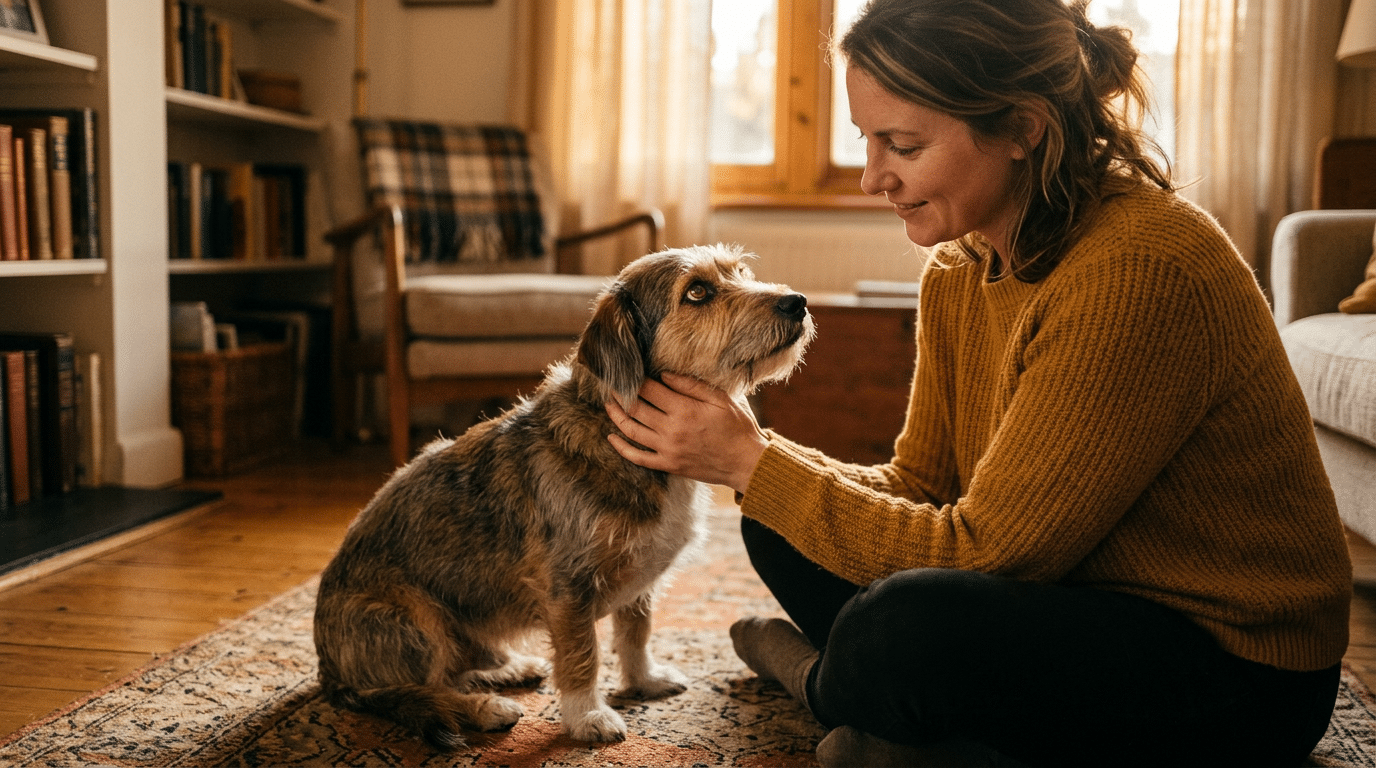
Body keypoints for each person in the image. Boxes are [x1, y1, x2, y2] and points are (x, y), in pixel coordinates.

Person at [604, 0, 1353, 765]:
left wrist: (748, 462)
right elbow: (923, 483)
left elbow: (992, 554)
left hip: (1235, 668)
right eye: (866, 142)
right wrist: (760, 466)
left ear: (1023, 127)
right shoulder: (960, 271)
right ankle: (921, 722)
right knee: (775, 512)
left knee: (902, 622)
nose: (871, 178)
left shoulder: (1140, 269)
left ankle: (819, 681)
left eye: (903, 144)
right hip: (1076, 602)